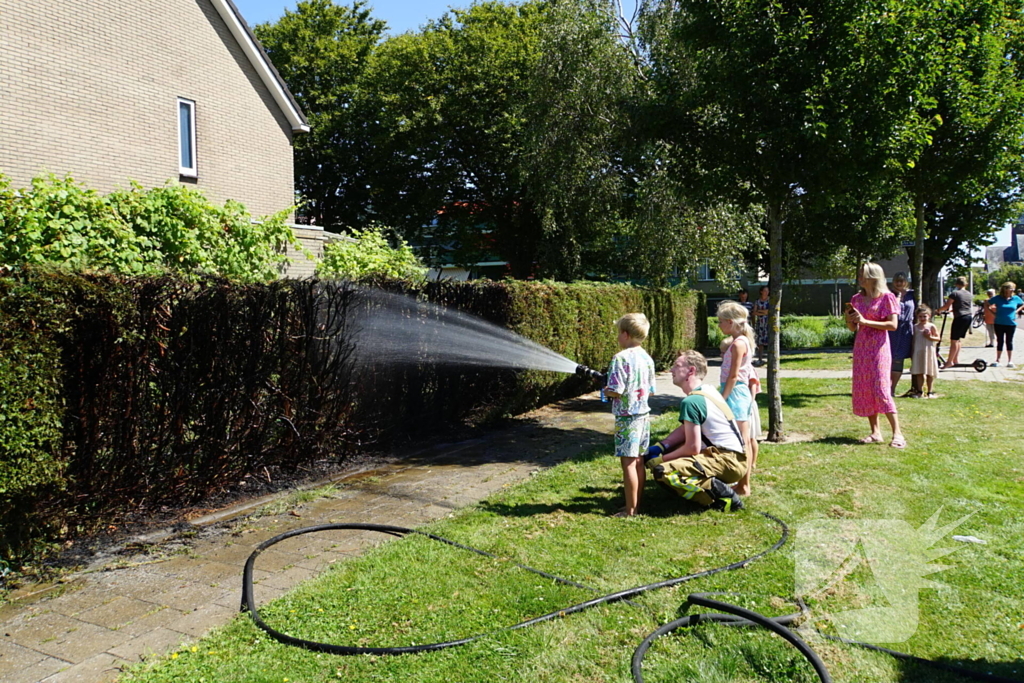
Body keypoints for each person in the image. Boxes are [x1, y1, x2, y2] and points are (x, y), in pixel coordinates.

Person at [642, 351, 746, 512]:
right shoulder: (707, 391)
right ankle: (712, 484)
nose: (671, 370)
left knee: (663, 472)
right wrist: (662, 446)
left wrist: (661, 460)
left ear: (691, 371)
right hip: (735, 458)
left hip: (727, 461)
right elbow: (687, 428)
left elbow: (692, 447)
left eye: (676, 365)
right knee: (672, 454)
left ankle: (720, 497)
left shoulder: (691, 401)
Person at [846, 262, 906, 448]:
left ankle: (898, 434)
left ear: (873, 277)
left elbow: (892, 325)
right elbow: (852, 328)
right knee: (865, 388)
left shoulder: (887, 297)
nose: (859, 278)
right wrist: (850, 319)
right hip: (861, 348)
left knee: (881, 389)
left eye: (862, 275)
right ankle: (875, 432)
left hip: (879, 348)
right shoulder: (856, 298)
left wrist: (864, 321)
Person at [603, 313, 657, 517]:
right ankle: (636, 505)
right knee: (639, 461)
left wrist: (606, 390)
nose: (618, 336)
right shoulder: (647, 358)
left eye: (619, 333)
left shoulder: (620, 358)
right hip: (643, 416)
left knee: (628, 463)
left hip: (627, 418)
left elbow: (616, 390)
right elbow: (651, 390)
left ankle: (630, 510)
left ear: (625, 334)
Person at [716, 301, 757, 495]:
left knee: (743, 440)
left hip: (736, 394)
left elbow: (733, 376)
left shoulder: (738, 344)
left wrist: (721, 399)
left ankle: (744, 485)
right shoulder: (738, 342)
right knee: (741, 439)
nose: (719, 325)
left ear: (730, 322)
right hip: (735, 392)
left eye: (720, 321)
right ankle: (740, 482)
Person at [935, 276, 973, 369]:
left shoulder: (955, 293)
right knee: (958, 340)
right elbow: (963, 306)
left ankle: (949, 362)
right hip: (968, 317)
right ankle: (955, 360)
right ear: (966, 284)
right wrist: (952, 310)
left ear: (956, 284)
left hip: (960, 317)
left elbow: (946, 306)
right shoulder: (969, 294)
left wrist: (938, 310)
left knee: (954, 340)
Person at [888, 272, 915, 397]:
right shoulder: (889, 295)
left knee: (899, 358)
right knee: (889, 357)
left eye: (901, 281)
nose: (899, 283)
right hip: (892, 329)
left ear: (906, 282)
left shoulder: (912, 294)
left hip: (906, 330)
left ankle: (892, 388)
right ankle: (885, 387)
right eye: (897, 281)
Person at [987, 282, 1024, 368]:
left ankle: (1010, 361)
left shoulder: (1015, 298)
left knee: (1009, 341)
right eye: (1010, 288)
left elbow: (1022, 304)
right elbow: (987, 304)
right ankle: (998, 360)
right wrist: (993, 313)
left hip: (1011, 324)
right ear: (1005, 289)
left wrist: (1016, 311)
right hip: (999, 323)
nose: (1012, 290)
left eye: (1013, 289)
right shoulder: (998, 298)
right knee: (1000, 341)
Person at [910, 304, 940, 398]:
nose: (922, 318)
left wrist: (929, 337)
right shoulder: (915, 327)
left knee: (929, 372)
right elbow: (913, 339)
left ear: (929, 316)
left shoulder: (931, 326)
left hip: (929, 350)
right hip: (918, 351)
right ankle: (920, 391)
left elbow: (938, 338)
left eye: (924, 316)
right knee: (919, 371)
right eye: (920, 316)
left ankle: (930, 391)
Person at [753, 285, 770, 366]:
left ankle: (770, 358)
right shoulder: (757, 301)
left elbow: (769, 311)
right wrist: (763, 312)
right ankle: (760, 359)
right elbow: (754, 312)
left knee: (769, 341)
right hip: (760, 323)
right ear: (761, 292)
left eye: (767, 291)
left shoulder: (770, 300)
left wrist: (760, 311)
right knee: (760, 342)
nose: (767, 292)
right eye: (765, 291)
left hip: (768, 323)